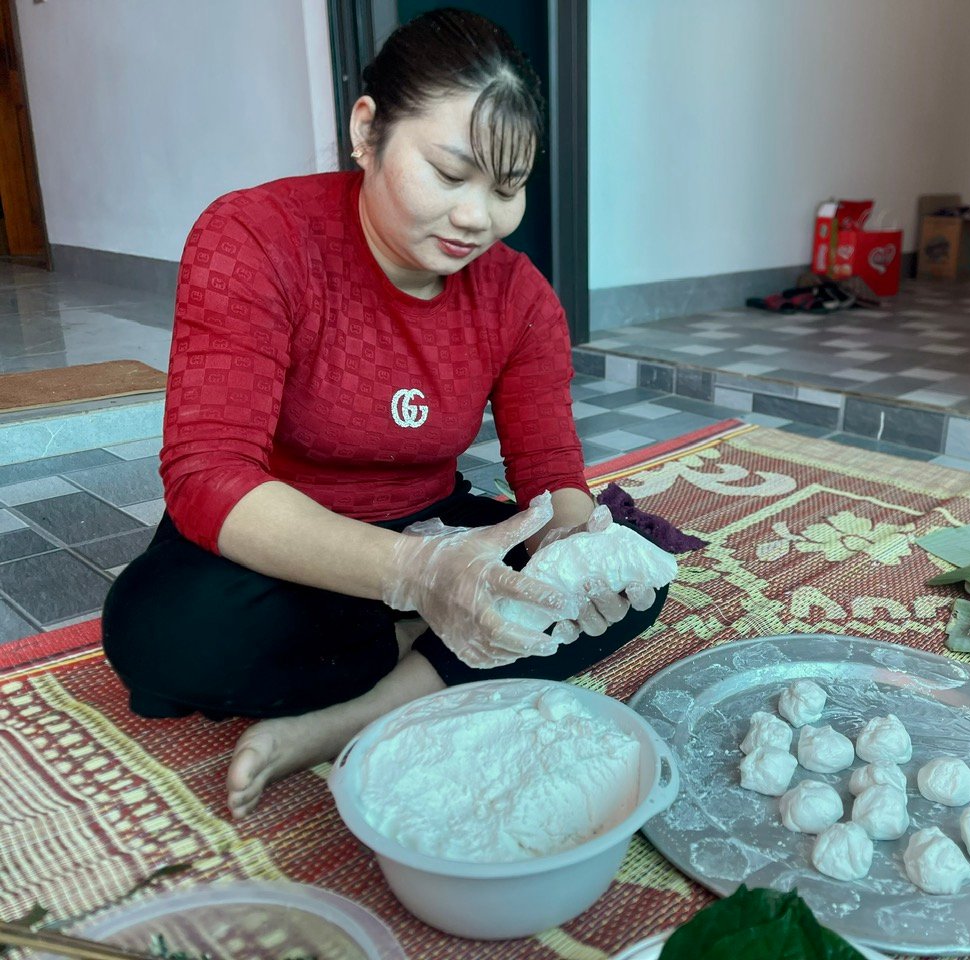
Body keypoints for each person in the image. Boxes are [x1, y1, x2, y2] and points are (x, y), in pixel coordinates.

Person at [101, 8, 669, 820]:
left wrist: (575, 554)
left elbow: (551, 477)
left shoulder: (521, 298)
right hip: (280, 535)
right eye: (449, 173)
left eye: (507, 189)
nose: (478, 217)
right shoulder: (254, 237)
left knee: (632, 577)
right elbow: (207, 475)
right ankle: (432, 639)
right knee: (162, 634)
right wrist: (414, 579)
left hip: (431, 521)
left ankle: (360, 712)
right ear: (367, 131)